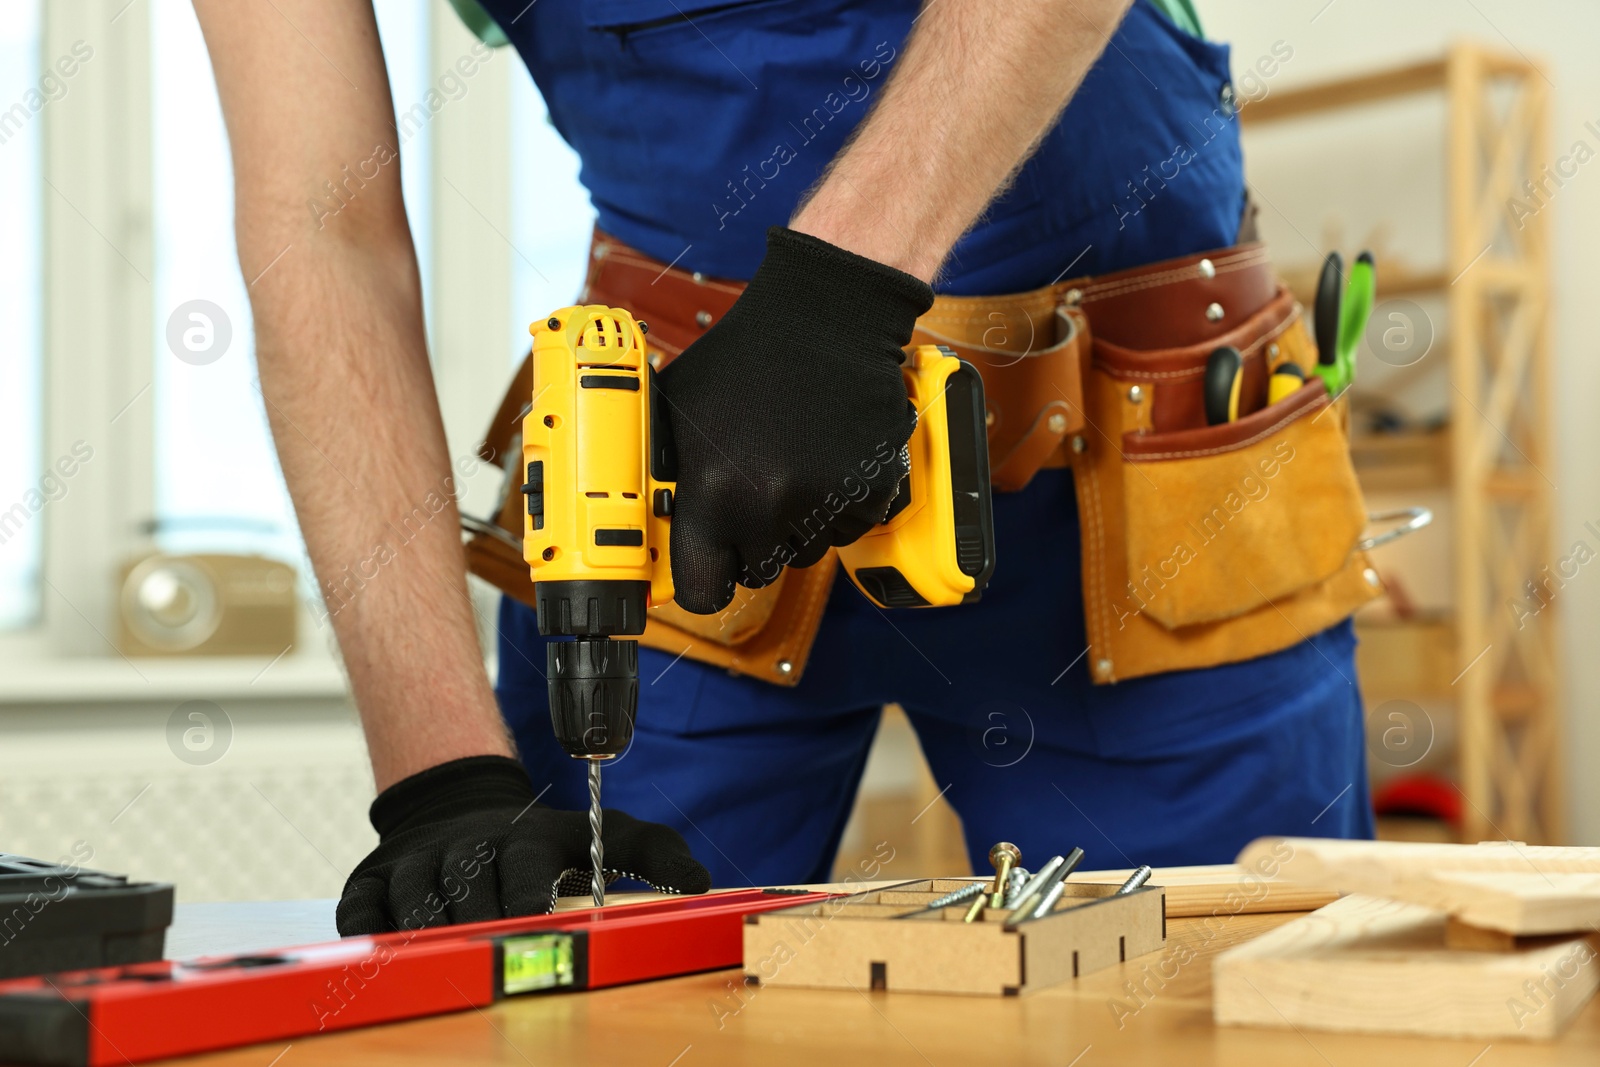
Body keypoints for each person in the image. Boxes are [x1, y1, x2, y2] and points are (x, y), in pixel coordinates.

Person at [196, 0, 1373, 936]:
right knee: (609, 1014)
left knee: (1237, 1005)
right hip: (691, 493)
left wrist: (833, 298)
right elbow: (322, 231)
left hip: (1143, 470)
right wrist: (438, 778)